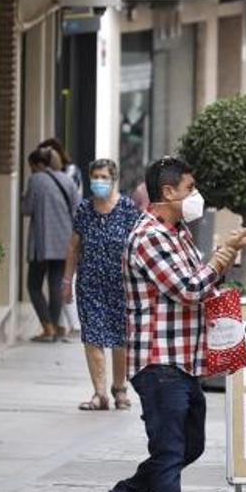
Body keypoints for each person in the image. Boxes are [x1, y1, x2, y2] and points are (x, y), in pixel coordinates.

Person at [88, 156, 246, 492]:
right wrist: (226, 251)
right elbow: (190, 287)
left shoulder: (176, 233)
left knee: (188, 447)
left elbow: (201, 278)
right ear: (168, 193)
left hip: (182, 361)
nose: (194, 195)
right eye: (189, 188)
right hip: (159, 363)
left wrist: (223, 257)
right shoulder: (149, 236)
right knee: (168, 454)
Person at [64, 159, 143, 412]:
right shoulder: (84, 209)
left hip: (122, 285)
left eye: (103, 177)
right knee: (93, 337)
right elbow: (74, 247)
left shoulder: (128, 209)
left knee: (120, 339)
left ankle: (119, 389)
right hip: (90, 284)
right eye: (95, 177)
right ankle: (99, 394)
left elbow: (140, 246)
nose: (98, 181)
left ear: (114, 179)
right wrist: (67, 280)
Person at [22, 148, 81, 342]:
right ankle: (54, 327)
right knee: (56, 285)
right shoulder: (67, 180)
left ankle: (47, 326)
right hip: (64, 241)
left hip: (42, 241)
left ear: (39, 165)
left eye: (32, 167)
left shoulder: (36, 180)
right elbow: (77, 210)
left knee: (33, 285)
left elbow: (26, 208)